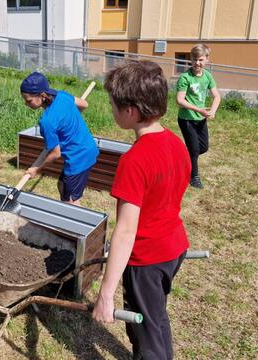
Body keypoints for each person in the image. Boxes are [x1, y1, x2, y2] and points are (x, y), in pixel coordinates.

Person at [92, 60, 191, 360]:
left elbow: (125, 231)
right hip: (175, 248)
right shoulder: (176, 143)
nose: (111, 109)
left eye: (113, 105)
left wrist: (106, 294)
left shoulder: (134, 161)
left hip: (147, 260)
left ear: (130, 111)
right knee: (155, 315)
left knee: (144, 335)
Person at [20, 72, 99, 205]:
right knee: (63, 186)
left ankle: (78, 222)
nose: (26, 104)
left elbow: (56, 154)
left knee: (70, 202)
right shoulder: (62, 96)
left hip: (78, 159)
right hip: (89, 148)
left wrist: (36, 169)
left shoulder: (47, 121)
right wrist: (70, 115)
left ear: (42, 96)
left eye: (29, 101)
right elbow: (84, 104)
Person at [176, 44, 221, 189]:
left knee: (203, 147)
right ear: (191, 59)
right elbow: (180, 100)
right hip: (186, 119)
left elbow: (216, 96)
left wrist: (212, 111)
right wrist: (198, 109)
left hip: (201, 119)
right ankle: (193, 177)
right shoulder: (185, 77)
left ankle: (182, 158)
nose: (197, 63)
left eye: (201, 60)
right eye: (194, 59)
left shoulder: (208, 76)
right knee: (194, 149)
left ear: (207, 59)